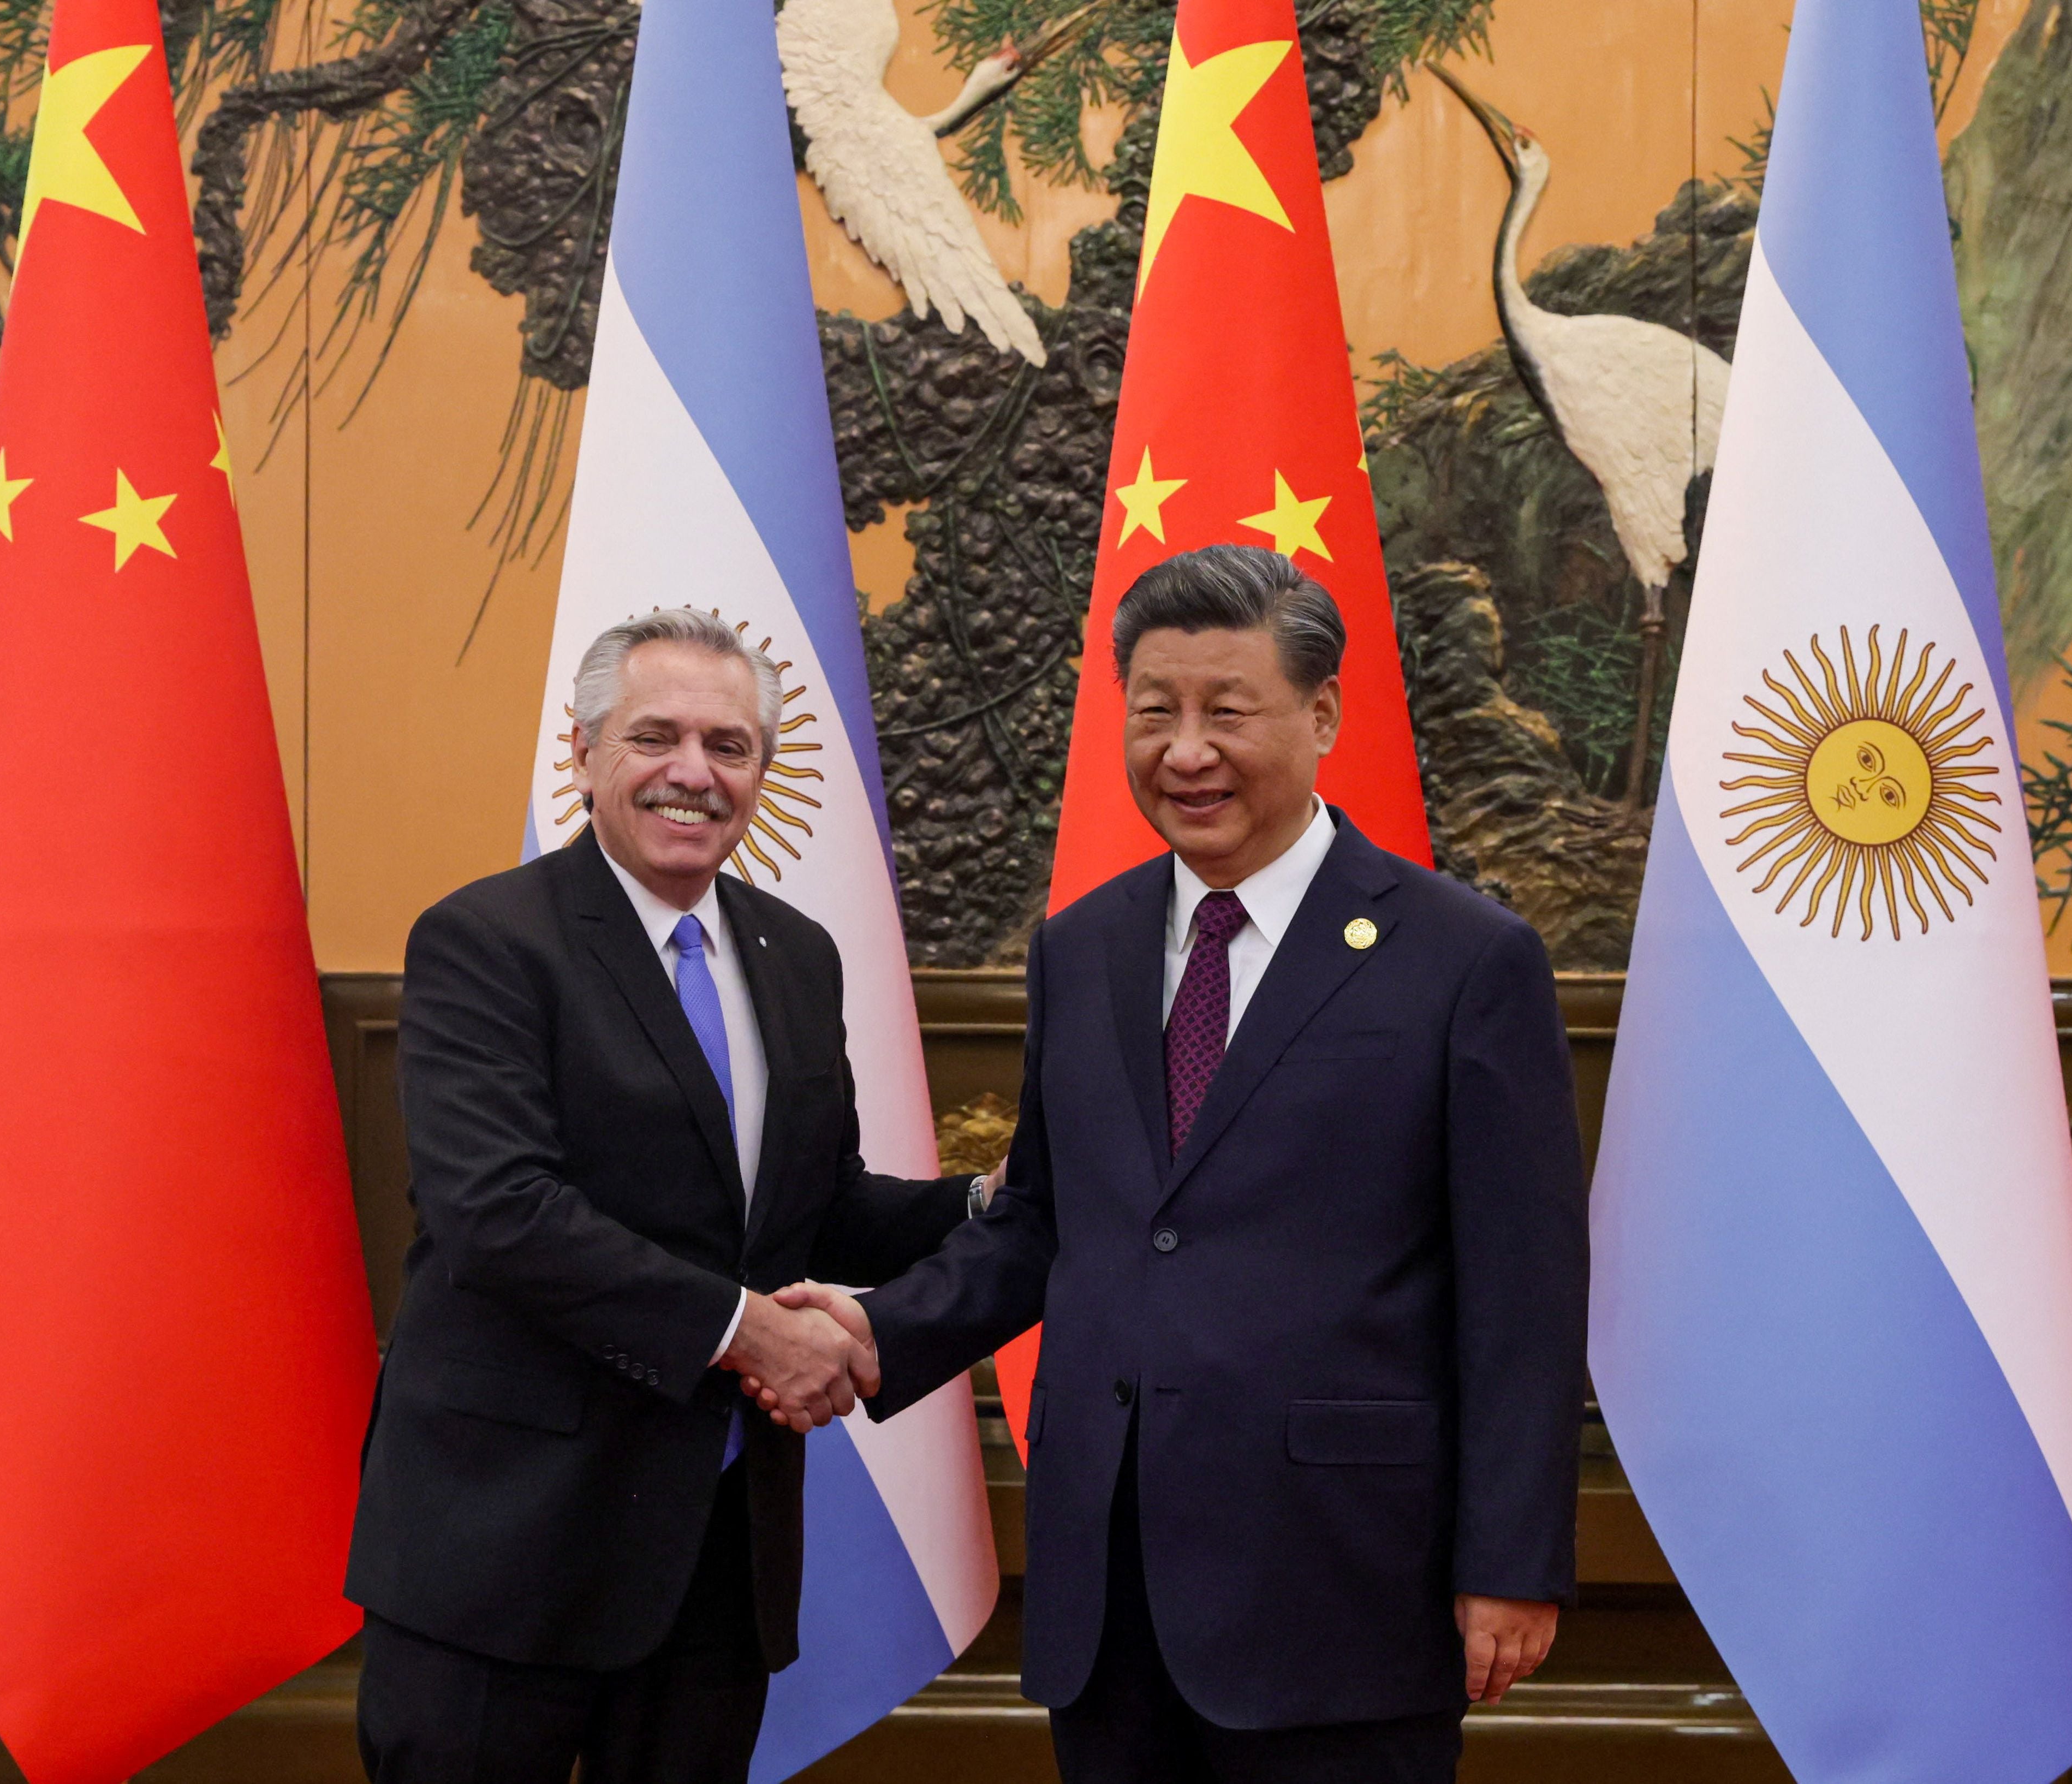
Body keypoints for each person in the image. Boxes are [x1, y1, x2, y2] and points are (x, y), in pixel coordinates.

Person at [760, 545, 1589, 1782]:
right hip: (1111, 1584)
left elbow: (1521, 1289)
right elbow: (1045, 1219)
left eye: (1226, 710)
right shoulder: (1080, 946)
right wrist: (878, 1332)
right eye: (1154, 711)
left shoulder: (1462, 957)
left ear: (1320, 715)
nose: (1184, 749)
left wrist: (1510, 1559)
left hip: (1343, 1584)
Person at [348, 608, 989, 1784]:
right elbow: (499, 1212)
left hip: (709, 1544)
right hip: (502, 1549)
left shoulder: (796, 954)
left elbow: (815, 1207)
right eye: (655, 736)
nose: (693, 772)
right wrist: (750, 1330)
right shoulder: (485, 941)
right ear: (584, 752)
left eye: (729, 745)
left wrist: (982, 1206)